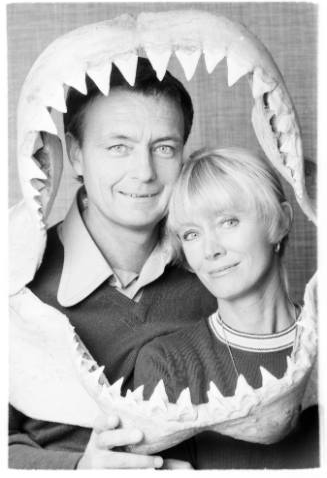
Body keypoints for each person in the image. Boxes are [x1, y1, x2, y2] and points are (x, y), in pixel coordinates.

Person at [9, 59, 217, 469]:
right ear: (76, 154)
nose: (144, 172)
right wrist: (76, 471)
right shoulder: (14, 277)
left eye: (164, 148)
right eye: (118, 147)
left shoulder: (217, 274)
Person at [133, 147, 319, 468]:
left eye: (228, 221)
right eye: (191, 234)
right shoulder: (168, 365)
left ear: (281, 221)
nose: (210, 250)